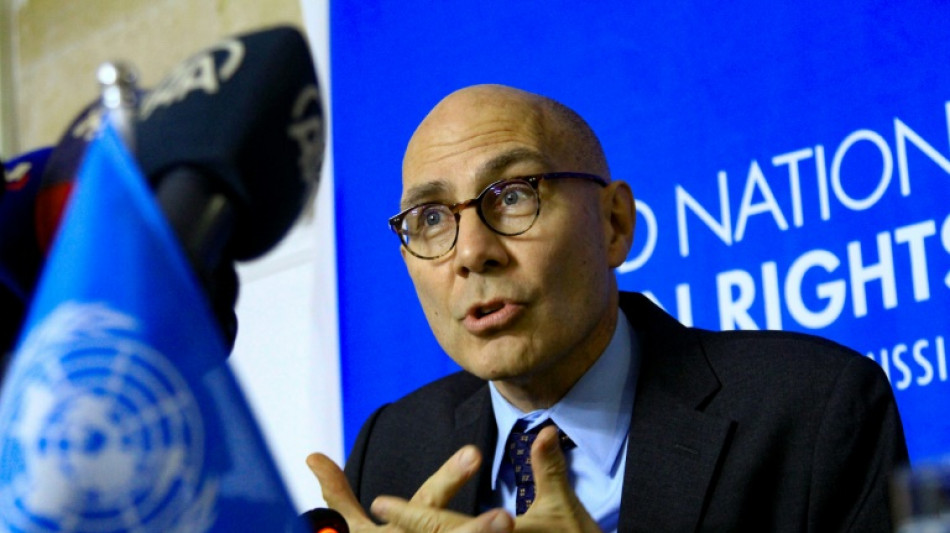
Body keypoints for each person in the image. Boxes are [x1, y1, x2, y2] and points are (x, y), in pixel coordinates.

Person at [307, 84, 908, 532]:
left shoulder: (814, 409)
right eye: (432, 218)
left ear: (614, 223)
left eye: (512, 196)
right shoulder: (394, 451)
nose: (471, 253)